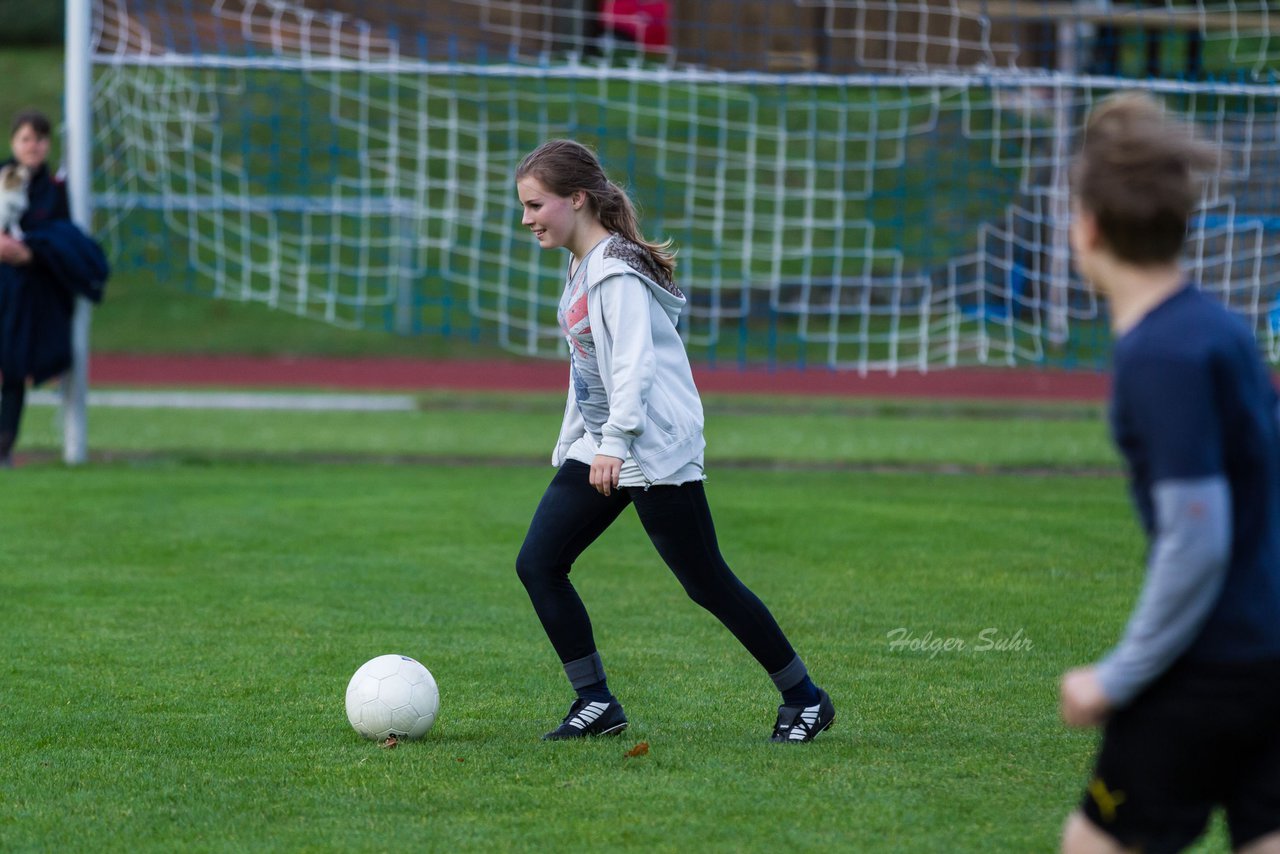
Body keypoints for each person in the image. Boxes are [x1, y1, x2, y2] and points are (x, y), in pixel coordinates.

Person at [513, 139, 834, 742]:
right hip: (609, 443)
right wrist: (576, 438)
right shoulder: (584, 265)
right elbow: (592, 367)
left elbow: (633, 367)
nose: (527, 219)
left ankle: (807, 698)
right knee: (539, 563)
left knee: (706, 581)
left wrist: (612, 443)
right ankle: (596, 702)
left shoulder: (613, 271)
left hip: (652, 447)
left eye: (536, 205)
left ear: (576, 199)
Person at [1058, 93, 1280, 853]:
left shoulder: (1160, 355)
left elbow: (1197, 539)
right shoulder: (1220, 327)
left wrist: (1117, 676)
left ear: (1087, 227)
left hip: (1209, 669)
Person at [0, 109, 108, 467]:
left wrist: (29, 252)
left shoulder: (56, 191)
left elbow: (63, 240)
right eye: (26, 139)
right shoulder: (2, 178)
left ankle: (4, 446)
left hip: (25, 290)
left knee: (14, 366)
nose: (33, 146)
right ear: (14, 142)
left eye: (40, 139)